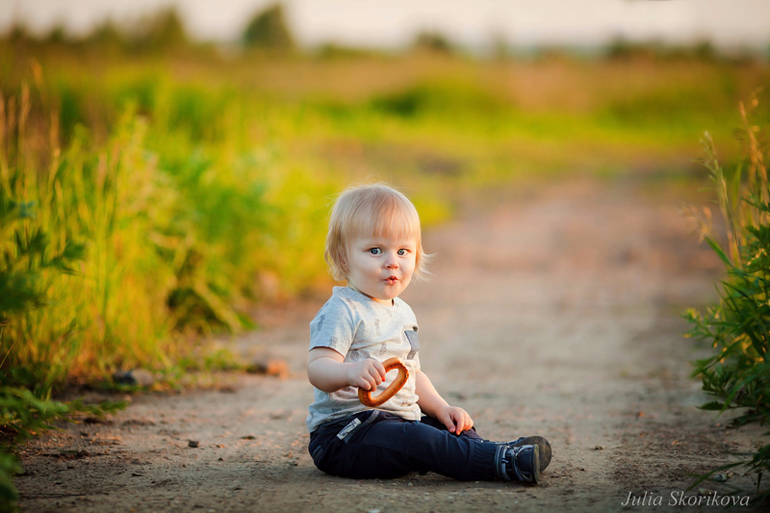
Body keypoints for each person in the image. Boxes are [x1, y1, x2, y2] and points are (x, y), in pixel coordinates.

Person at [306, 183, 551, 483]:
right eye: (375, 250)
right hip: (346, 435)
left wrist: (442, 407)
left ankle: (490, 450)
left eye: (402, 251)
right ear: (344, 258)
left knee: (444, 426)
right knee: (417, 438)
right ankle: (496, 463)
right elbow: (317, 368)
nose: (391, 261)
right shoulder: (343, 309)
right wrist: (349, 372)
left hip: (394, 423)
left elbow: (411, 375)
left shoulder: (403, 313)